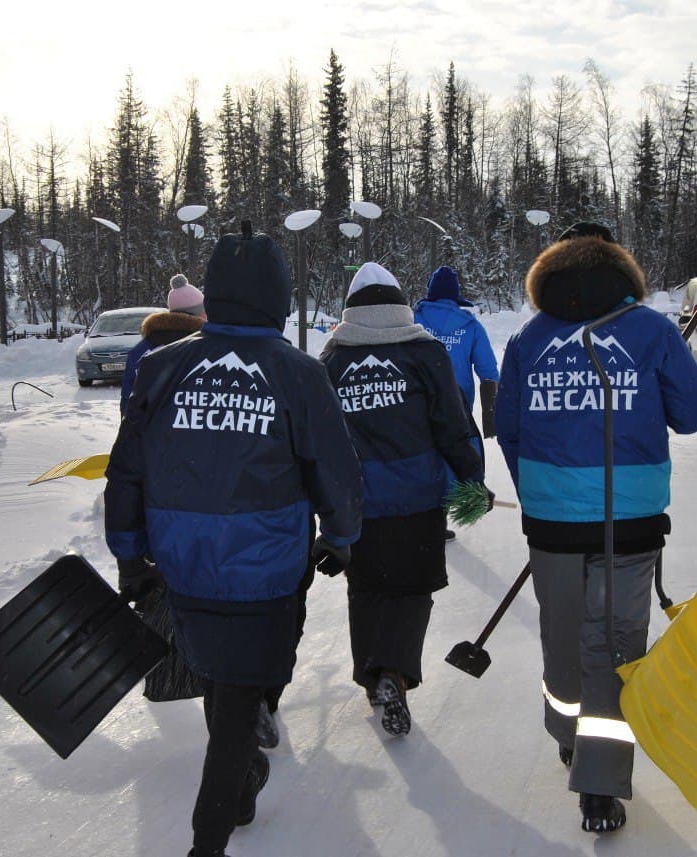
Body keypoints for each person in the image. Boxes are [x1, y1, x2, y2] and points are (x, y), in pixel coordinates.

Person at [104, 224, 362, 857]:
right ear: (279, 298)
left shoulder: (163, 368)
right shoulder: (297, 374)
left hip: (185, 565)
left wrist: (131, 554)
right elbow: (335, 468)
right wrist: (343, 535)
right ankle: (209, 838)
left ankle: (243, 777)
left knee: (225, 677)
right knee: (242, 686)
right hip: (268, 569)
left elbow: (127, 468)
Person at [494, 223, 697, 834]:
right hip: (633, 522)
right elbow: (695, 415)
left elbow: (507, 428)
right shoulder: (652, 332)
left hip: (553, 525)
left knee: (563, 636)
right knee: (616, 645)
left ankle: (572, 737)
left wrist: (539, 492)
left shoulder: (528, 339)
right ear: (621, 272)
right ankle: (600, 784)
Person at [319, 262, 486, 736]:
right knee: (413, 589)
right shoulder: (425, 353)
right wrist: (472, 478)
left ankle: (373, 679)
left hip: (357, 502)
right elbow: (452, 425)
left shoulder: (332, 360)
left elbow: (318, 439)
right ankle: (394, 670)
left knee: (366, 588)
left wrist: (325, 505)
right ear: (399, 304)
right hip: (417, 496)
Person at [413, 265, 500, 437]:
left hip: (419, 406)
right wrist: (491, 421)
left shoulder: (413, 320)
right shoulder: (471, 326)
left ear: (431, 292)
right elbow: (488, 373)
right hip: (460, 408)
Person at [119, 274, 207, 414]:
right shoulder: (203, 348)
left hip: (150, 432)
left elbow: (128, 401)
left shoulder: (141, 350)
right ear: (198, 314)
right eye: (205, 311)